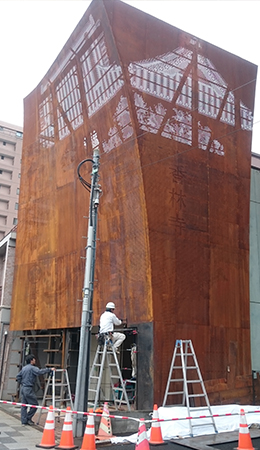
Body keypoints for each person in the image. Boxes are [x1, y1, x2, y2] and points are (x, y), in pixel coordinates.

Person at [16, 354, 55, 426]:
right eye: (34, 359)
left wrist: (22, 382)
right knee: (35, 404)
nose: (35, 360)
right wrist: (49, 370)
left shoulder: (24, 368)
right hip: (28, 388)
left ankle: (24, 421)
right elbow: (39, 372)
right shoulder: (32, 368)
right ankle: (28, 418)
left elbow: (18, 377)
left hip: (23, 388)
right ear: (31, 361)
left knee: (24, 405)